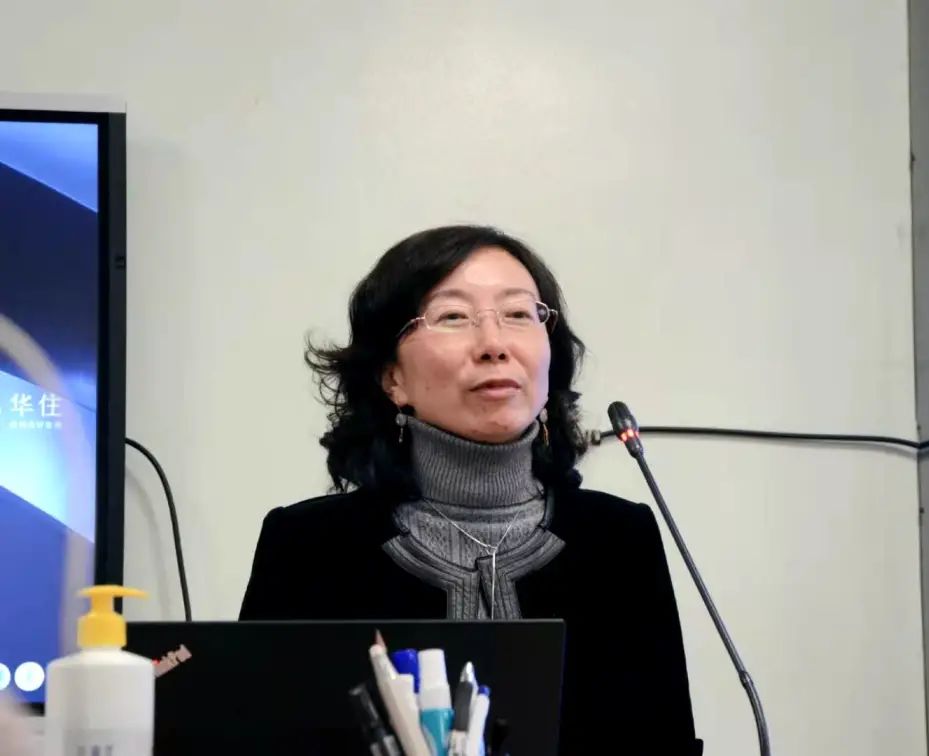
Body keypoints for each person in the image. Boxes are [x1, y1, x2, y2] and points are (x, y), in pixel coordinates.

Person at [239, 225, 701, 754]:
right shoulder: (307, 548)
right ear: (392, 377)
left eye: (519, 314)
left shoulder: (620, 540)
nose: (494, 345)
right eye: (453, 317)